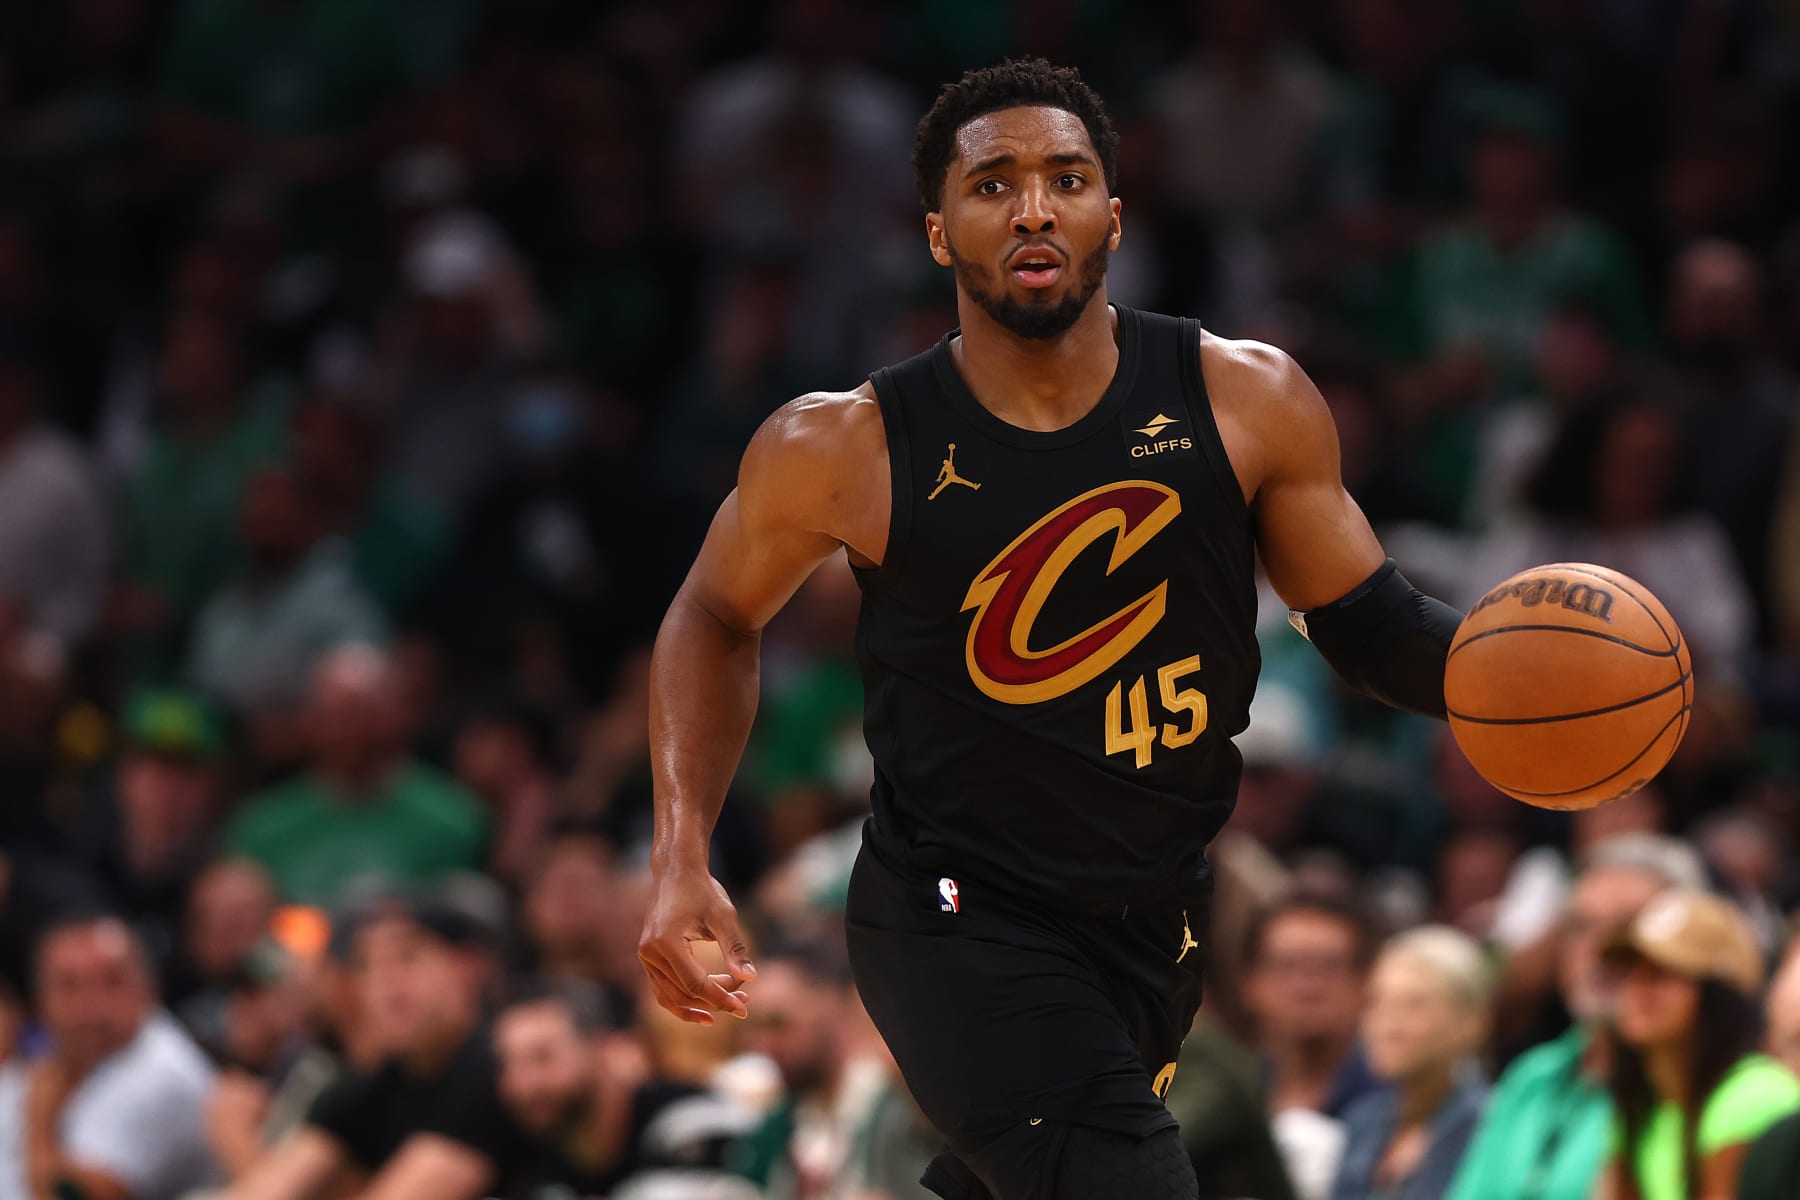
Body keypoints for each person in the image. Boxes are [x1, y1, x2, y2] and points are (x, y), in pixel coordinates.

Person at [639, 58, 1465, 1199]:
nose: (1033, 207)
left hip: (1151, 920)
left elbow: (1369, 627)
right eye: (994, 185)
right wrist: (683, 854)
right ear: (938, 233)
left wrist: (1501, 678)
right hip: (954, 913)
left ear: (1111, 218)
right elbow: (712, 612)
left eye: (1066, 178)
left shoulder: (1244, 398)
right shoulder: (843, 445)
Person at [221, 898, 532, 1200]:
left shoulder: (501, 1070)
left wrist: (236, 1138)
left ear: (468, 966)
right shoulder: (372, 1085)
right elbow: (269, 1188)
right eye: (368, 964)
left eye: (407, 957)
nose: (388, 984)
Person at [1448, 834, 1704, 1200]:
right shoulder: (1530, 1078)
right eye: (1582, 927)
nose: (1598, 949)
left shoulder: (1699, 1088)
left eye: (1627, 927)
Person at [223, 645, 488, 907]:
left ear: (397, 715)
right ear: (310, 720)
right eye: (333, 715)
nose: (349, 732)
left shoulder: (453, 821)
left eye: (362, 714)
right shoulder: (262, 828)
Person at [0, 914, 216, 1200]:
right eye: (69, 985)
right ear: (40, 1002)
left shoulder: (161, 1074)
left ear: (149, 988)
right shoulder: (61, 1061)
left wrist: (39, 1126)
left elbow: (76, 1197)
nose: (90, 1005)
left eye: (112, 982)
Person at [1601, 890, 1800, 1200]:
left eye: (1663, 972)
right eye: (1629, 971)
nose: (1638, 989)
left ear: (1719, 993)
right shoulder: (1642, 1104)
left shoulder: (1755, 1094)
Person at [493, 981, 748, 1199]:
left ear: (601, 1047)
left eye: (542, 1058)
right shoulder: (534, 1171)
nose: (520, 1085)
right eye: (507, 1065)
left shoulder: (689, 1120)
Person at [730, 940, 939, 1199]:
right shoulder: (783, 1122)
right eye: (752, 1028)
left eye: (777, 1024)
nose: (762, 1046)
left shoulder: (903, 1101)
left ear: (830, 1004)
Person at [1332, 926, 1489, 1200]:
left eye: (1414, 1005)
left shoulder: (1492, 1125)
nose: (1388, 1024)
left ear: (1471, 1021)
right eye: (1377, 1002)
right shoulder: (1361, 1120)